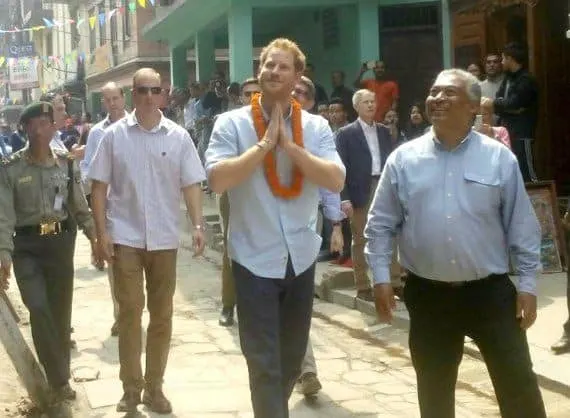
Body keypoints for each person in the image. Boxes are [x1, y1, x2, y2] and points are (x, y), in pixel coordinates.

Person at [365, 68, 546, 418]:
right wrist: (381, 278)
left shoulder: (498, 158)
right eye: (433, 92)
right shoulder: (404, 159)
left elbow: (522, 226)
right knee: (434, 392)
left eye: (449, 93)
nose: (437, 99)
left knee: (518, 386)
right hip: (428, 295)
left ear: (473, 106)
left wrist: (527, 284)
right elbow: (381, 223)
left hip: (490, 294)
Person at [205, 38, 345, 418]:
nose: (273, 72)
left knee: (291, 356)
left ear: (298, 75)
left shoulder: (315, 127)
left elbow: (335, 179)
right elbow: (217, 180)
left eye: (283, 66)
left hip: (300, 256)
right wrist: (265, 145)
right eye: (268, 65)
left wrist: (293, 149)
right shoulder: (230, 124)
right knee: (262, 359)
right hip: (253, 257)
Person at [89, 68, 206, 414]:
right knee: (129, 313)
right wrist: (101, 233)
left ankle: (155, 388)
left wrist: (198, 224)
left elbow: (192, 183)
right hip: (125, 237)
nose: (149, 96)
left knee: (162, 315)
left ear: (164, 94)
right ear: (132, 94)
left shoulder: (179, 137)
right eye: (142, 90)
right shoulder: (113, 137)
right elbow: (98, 187)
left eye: (156, 90)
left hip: (165, 238)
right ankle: (130, 388)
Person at [0, 102, 99, 402]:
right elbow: (4, 217)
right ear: (26, 129)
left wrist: (96, 238)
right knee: (39, 308)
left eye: (47, 123)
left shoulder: (66, 163)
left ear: (54, 127)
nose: (42, 129)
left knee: (59, 313)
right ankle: (58, 377)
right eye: (36, 124)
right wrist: (3, 254)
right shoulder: (11, 169)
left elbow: (79, 207)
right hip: (26, 248)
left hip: (59, 244)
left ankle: (59, 378)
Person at [336, 89, 399, 301]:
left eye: (373, 101)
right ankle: (363, 286)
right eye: (366, 102)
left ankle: (395, 281)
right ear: (356, 106)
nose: (371, 105)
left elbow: (391, 160)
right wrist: (344, 197)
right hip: (358, 190)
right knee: (360, 238)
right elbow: (340, 167)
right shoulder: (346, 133)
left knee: (390, 234)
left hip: (383, 184)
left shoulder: (383, 131)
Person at [80, 82, 128, 336]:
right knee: (116, 267)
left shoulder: (137, 125)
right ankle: (121, 315)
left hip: (136, 207)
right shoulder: (98, 133)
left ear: (123, 97)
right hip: (110, 209)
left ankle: (134, 311)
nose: (112, 103)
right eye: (107, 100)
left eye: (115, 98)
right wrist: (98, 184)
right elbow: (87, 167)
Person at [218, 78, 261, 328]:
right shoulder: (230, 123)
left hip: (266, 193)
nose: (253, 97)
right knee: (231, 246)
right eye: (248, 94)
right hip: (234, 192)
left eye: (258, 92)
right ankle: (228, 304)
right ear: (240, 97)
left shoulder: (274, 120)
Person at [482, 42, 538, 182]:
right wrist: (505, 106)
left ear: (510, 59)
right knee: (510, 172)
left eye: (502, 59)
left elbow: (513, 103)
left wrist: (498, 104)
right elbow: (505, 103)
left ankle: (537, 201)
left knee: (527, 172)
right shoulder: (507, 79)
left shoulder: (526, 80)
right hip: (506, 133)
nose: (501, 62)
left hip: (522, 133)